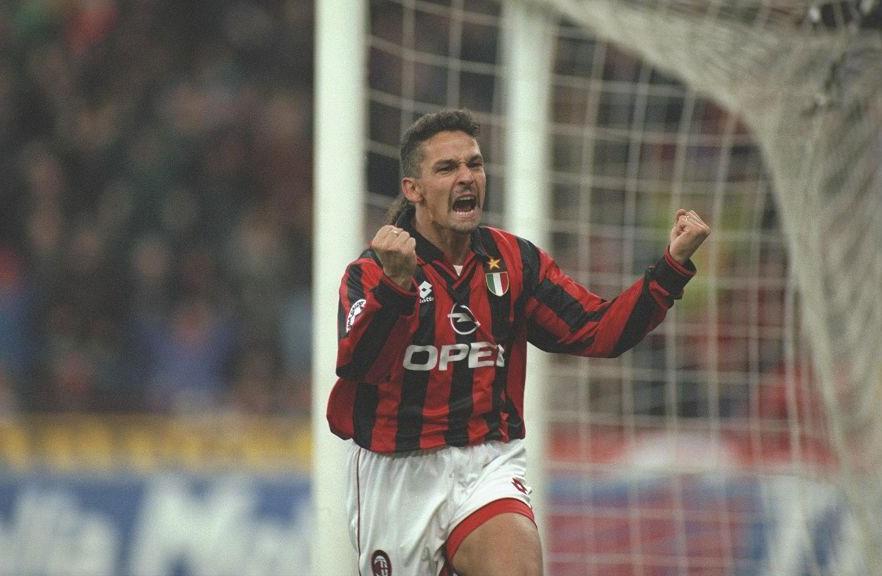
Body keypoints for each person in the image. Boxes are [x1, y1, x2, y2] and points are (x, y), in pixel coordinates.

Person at [327, 109, 710, 576]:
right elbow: (359, 367)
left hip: (488, 461)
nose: (466, 177)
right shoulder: (372, 272)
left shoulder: (513, 262)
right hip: (397, 473)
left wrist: (671, 266)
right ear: (414, 189)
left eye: (474, 164)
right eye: (447, 168)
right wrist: (396, 287)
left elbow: (597, 330)